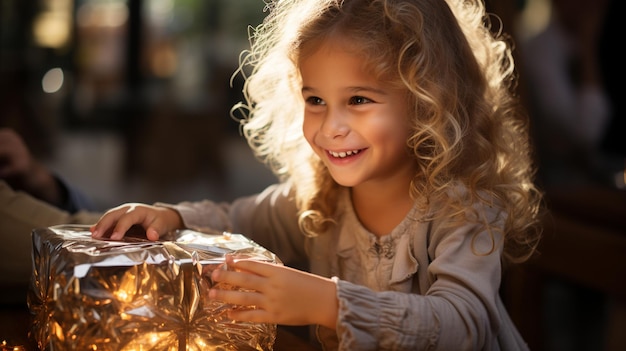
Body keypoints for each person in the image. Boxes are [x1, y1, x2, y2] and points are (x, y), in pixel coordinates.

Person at [90, 0, 544, 349]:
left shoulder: (463, 206)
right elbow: (239, 219)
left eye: (360, 100)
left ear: (429, 101)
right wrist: (171, 216)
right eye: (315, 100)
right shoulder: (318, 199)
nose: (330, 127)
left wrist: (328, 303)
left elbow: (462, 325)